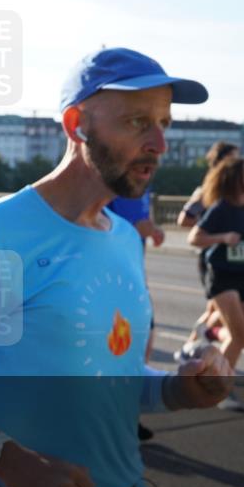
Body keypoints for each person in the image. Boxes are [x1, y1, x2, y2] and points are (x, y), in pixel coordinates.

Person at [0, 47, 234, 487]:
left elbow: (111, 373)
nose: (159, 142)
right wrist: (6, 458)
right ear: (77, 124)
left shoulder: (121, 236)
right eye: (138, 122)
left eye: (164, 122)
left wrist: (178, 389)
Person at [187, 156, 244, 410]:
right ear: (233, 180)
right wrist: (223, 237)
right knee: (238, 335)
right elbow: (194, 237)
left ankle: (210, 332)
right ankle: (218, 390)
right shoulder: (220, 208)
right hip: (221, 274)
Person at [174, 141, 240, 362]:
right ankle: (194, 346)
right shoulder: (208, 190)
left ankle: (189, 348)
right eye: (232, 160)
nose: (236, 165)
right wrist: (208, 227)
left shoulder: (234, 193)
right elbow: (184, 220)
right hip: (211, 259)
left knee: (214, 310)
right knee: (219, 310)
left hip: (229, 259)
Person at [107, 188, 164, 442]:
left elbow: (142, 224)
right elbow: (87, 227)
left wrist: (154, 231)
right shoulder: (108, 186)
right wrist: (132, 229)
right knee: (117, 354)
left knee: (144, 349)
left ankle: (129, 417)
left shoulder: (144, 188)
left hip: (136, 274)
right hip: (110, 277)